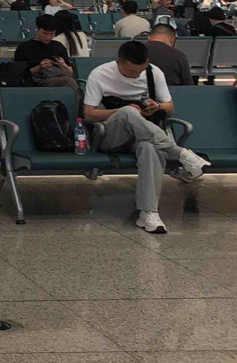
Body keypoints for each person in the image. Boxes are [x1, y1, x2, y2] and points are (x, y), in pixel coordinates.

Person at [82, 40, 208, 234]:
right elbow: (89, 114)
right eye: (132, 72)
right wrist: (122, 111)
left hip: (143, 134)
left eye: (141, 71)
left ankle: (149, 213)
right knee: (128, 112)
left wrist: (156, 107)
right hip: (111, 136)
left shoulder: (153, 73)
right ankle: (180, 154)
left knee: (150, 147)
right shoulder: (100, 74)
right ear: (119, 62)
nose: (137, 75)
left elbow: (169, 108)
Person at [14, 13, 79, 92]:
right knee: (69, 82)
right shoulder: (24, 48)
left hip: (58, 76)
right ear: (37, 29)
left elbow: (70, 71)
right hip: (37, 81)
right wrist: (39, 68)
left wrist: (63, 65)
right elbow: (19, 73)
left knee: (69, 81)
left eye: (52, 34)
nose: (48, 37)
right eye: (45, 33)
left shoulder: (58, 46)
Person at [144, 21, 194, 87]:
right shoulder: (179, 56)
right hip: (171, 91)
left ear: (149, 37)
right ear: (172, 40)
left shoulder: (135, 51)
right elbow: (188, 85)